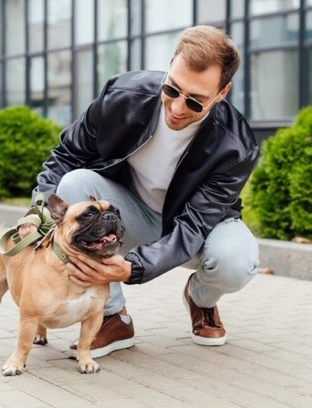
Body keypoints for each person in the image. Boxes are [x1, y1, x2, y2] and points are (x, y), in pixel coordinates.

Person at [26, 25, 260, 358]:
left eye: (195, 101)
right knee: (75, 184)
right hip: (130, 212)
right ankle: (113, 316)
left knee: (237, 261)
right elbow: (66, 156)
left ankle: (201, 299)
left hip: (195, 225)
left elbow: (194, 226)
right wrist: (38, 214)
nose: (178, 107)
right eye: (172, 89)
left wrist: (134, 268)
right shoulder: (122, 95)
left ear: (223, 92)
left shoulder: (236, 146)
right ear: (169, 67)